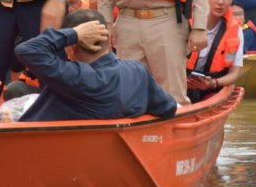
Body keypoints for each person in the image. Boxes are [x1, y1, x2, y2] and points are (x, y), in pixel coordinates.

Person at [18, 10, 177, 122]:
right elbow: (168, 108)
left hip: (46, 155)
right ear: (108, 40)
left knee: (15, 90)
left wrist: (74, 34)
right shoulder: (137, 71)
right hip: (109, 157)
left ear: (71, 48)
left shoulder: (77, 77)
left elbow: (26, 50)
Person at [186, 0, 243, 102]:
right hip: (181, 83)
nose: (221, 2)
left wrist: (213, 83)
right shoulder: (184, 22)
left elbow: (234, 74)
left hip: (212, 86)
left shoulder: (236, 30)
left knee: (212, 99)